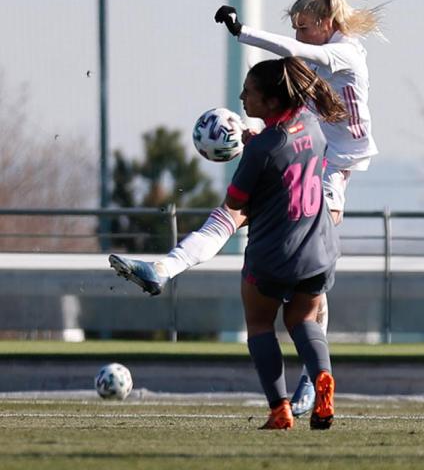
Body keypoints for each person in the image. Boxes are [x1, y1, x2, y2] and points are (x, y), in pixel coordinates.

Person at [109, 57, 344, 431]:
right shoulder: (312, 125)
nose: (241, 98)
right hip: (318, 250)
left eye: (249, 92)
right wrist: (259, 144)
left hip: (275, 254)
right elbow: (288, 155)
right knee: (303, 320)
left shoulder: (262, 150)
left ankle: (280, 410)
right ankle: (322, 379)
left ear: (271, 101)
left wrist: (252, 152)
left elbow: (235, 203)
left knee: (260, 324)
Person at [214, 0, 382, 415]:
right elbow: (298, 107)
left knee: (314, 250)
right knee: (312, 267)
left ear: (326, 23)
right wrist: (261, 135)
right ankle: (315, 370)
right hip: (322, 153)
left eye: (304, 28)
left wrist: (242, 32)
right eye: (296, 28)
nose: (298, 35)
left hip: (336, 161)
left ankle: (308, 380)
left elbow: (292, 53)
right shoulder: (323, 54)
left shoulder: (344, 52)